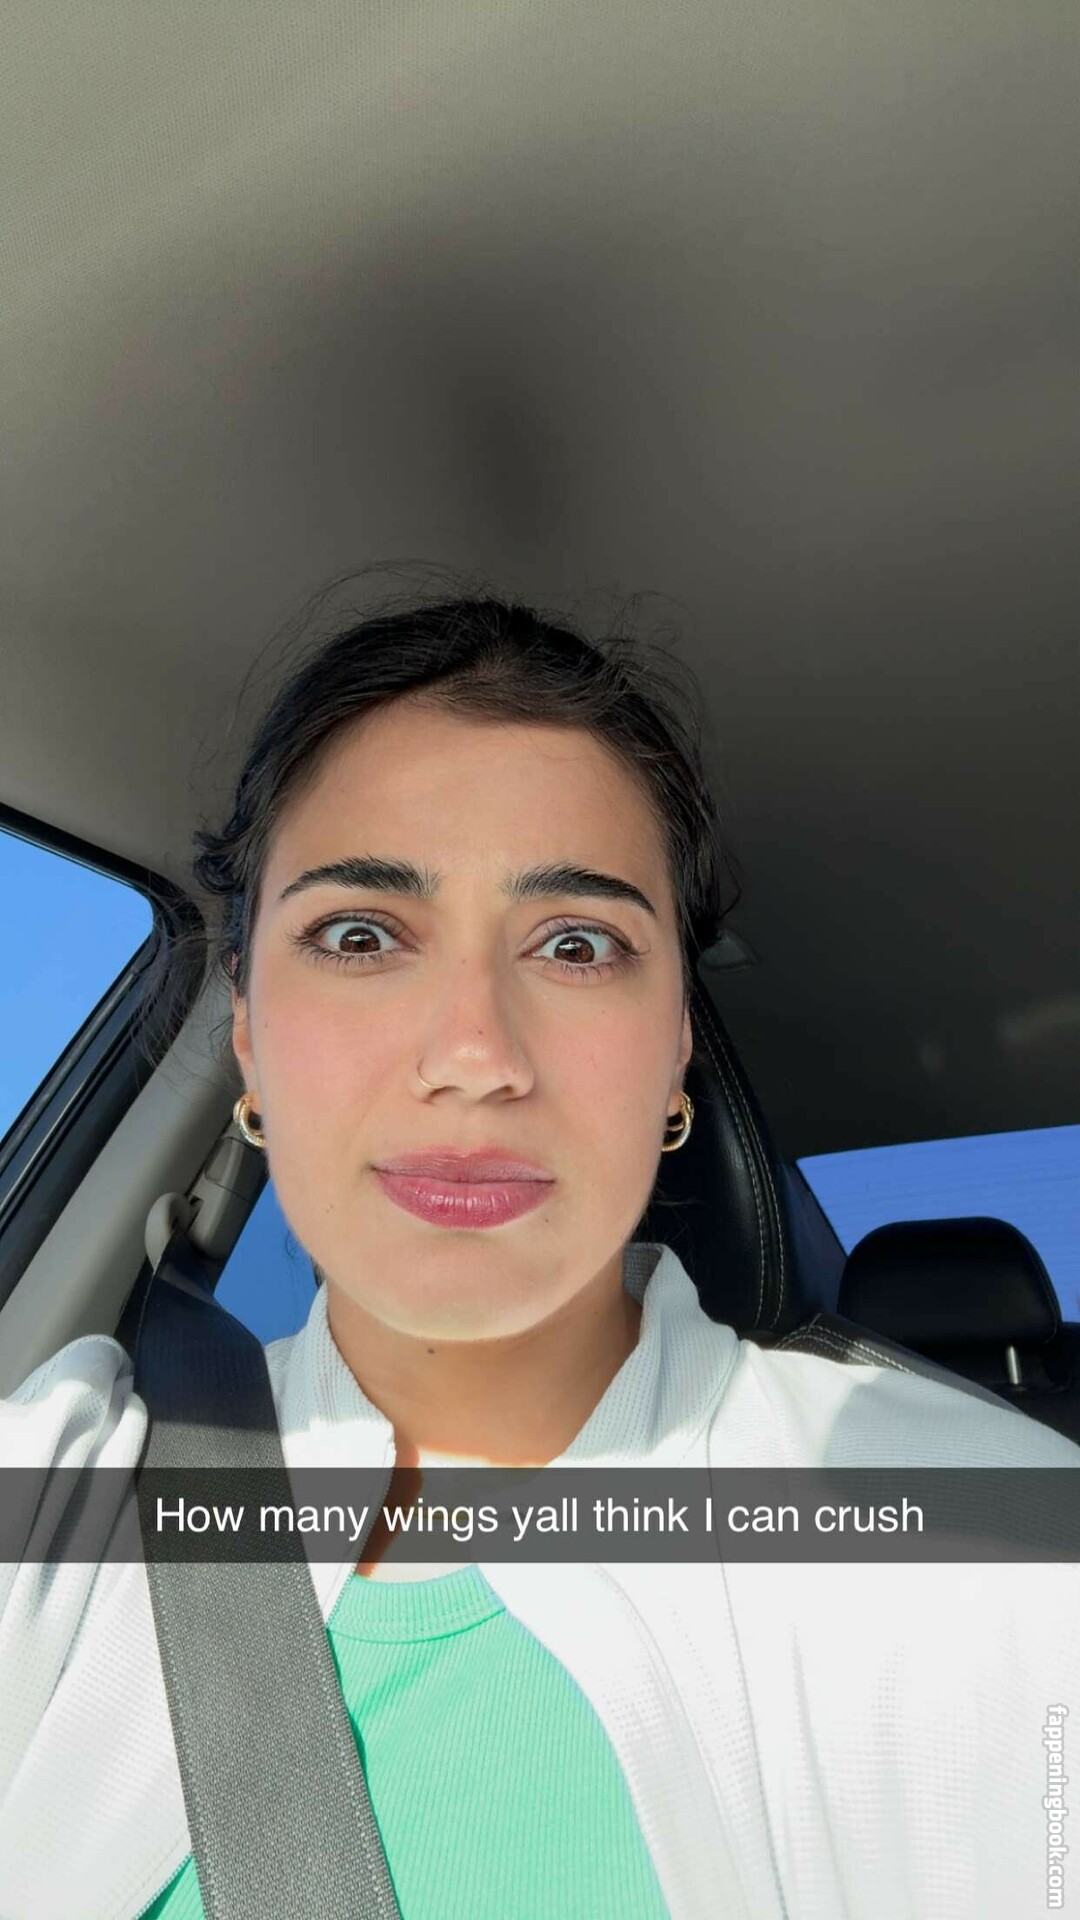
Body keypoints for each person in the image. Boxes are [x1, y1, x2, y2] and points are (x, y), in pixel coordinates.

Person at [1, 576, 1077, 1920]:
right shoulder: (58, 1498)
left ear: (676, 1051)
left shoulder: (994, 1550)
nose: (475, 1053)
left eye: (576, 944)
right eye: (359, 933)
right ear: (249, 1041)